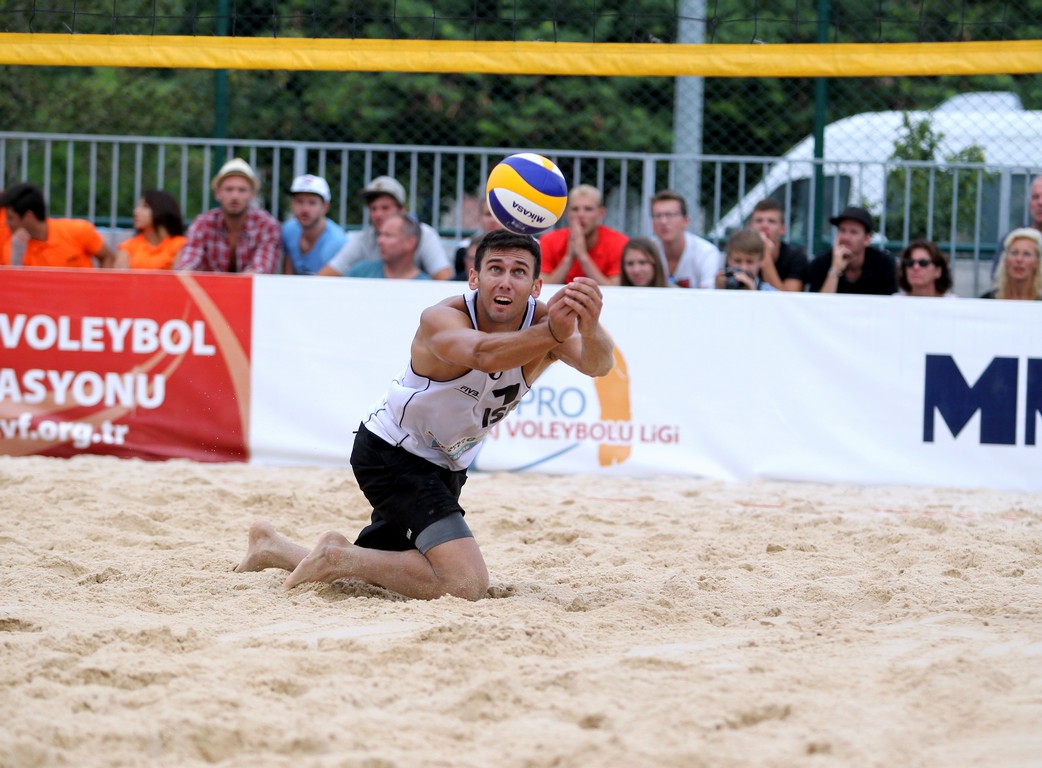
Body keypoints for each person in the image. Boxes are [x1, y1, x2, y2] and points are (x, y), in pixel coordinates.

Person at [234, 229, 615, 601]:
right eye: (495, 269)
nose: (505, 281)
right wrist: (555, 334)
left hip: (447, 465)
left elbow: (598, 364)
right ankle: (335, 555)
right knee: (464, 582)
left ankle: (275, 549)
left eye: (518, 272)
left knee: (398, 575)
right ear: (473, 277)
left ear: (535, 286)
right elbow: (484, 354)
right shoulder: (442, 318)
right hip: (391, 453)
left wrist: (590, 324)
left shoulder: (545, 323)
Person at [319, 176, 452, 280]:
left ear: (402, 210)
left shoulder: (425, 235)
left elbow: (444, 279)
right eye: (373, 209)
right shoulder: (364, 238)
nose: (378, 214)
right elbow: (327, 275)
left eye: (385, 208)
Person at [174, 158, 282, 274]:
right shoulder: (202, 223)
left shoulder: (267, 225)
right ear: (217, 193)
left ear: (253, 194)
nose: (235, 196)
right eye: (229, 189)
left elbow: (261, 269)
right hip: (208, 290)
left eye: (242, 190)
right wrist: (184, 273)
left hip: (252, 290)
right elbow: (188, 262)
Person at [0, 182, 115, 269]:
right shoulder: (15, 248)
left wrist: (100, 292)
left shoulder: (78, 230)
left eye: (10, 218)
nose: (6, 222)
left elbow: (107, 257)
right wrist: (16, 259)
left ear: (29, 216)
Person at [538, 184, 627, 285]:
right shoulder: (548, 241)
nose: (581, 215)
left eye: (588, 209)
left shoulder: (619, 243)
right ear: (567, 213)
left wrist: (583, 256)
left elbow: (615, 291)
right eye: (575, 209)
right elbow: (542, 287)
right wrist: (568, 258)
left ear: (601, 213)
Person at [806, 206, 897, 295]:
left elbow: (890, 305)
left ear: (867, 239)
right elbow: (819, 306)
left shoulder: (883, 264)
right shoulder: (821, 263)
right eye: (842, 230)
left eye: (853, 232)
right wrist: (835, 270)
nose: (846, 237)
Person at [648, 189, 721, 288]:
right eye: (658, 216)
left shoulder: (706, 253)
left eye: (670, 215)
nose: (663, 221)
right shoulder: (646, 251)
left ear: (685, 221)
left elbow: (708, 295)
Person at [281, 174, 348, 275]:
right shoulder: (288, 230)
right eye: (299, 201)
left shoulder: (337, 242)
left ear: (325, 207)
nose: (305, 209)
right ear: (292, 204)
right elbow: (287, 274)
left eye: (312, 203)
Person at [115, 190, 186, 270]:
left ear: (162, 210)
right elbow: (119, 278)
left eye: (145, 206)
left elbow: (180, 279)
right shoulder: (128, 246)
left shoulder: (181, 245)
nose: (136, 211)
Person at [346, 212, 431, 280]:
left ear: (410, 242)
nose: (379, 241)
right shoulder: (359, 272)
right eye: (380, 234)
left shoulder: (425, 286)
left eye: (388, 235)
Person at [748, 198, 808, 291]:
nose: (764, 226)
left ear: (783, 229)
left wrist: (766, 258)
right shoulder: (740, 253)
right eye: (759, 221)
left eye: (771, 221)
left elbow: (788, 300)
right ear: (750, 226)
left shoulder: (796, 258)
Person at [993, 175, 1042, 278]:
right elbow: (997, 280)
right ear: (1029, 203)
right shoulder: (1012, 241)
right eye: (1035, 197)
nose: (1040, 202)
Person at [980, 227, 1042, 300]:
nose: (1019, 259)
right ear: (1005, 260)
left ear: (1037, 263)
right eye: (1014, 253)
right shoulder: (986, 301)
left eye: (1026, 254)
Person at [453, 197, 504, 280]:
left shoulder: (529, 247)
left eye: (498, 214)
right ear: (480, 216)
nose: (493, 220)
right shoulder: (463, 249)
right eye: (488, 214)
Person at [713, 228, 778, 291]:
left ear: (761, 261)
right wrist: (718, 291)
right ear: (728, 259)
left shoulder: (771, 294)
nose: (743, 268)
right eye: (737, 261)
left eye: (750, 262)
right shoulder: (714, 288)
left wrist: (753, 294)